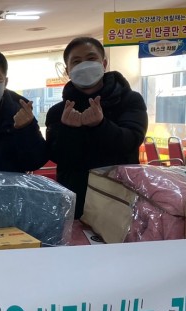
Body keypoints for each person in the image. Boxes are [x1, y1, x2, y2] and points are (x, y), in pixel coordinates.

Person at [45, 37, 148, 219]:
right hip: (74, 202)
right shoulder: (58, 112)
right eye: (76, 61)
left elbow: (131, 141)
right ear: (68, 71)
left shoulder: (129, 100)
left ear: (104, 63)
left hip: (120, 199)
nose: (84, 65)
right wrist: (69, 131)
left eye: (91, 58)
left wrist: (101, 125)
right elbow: (57, 156)